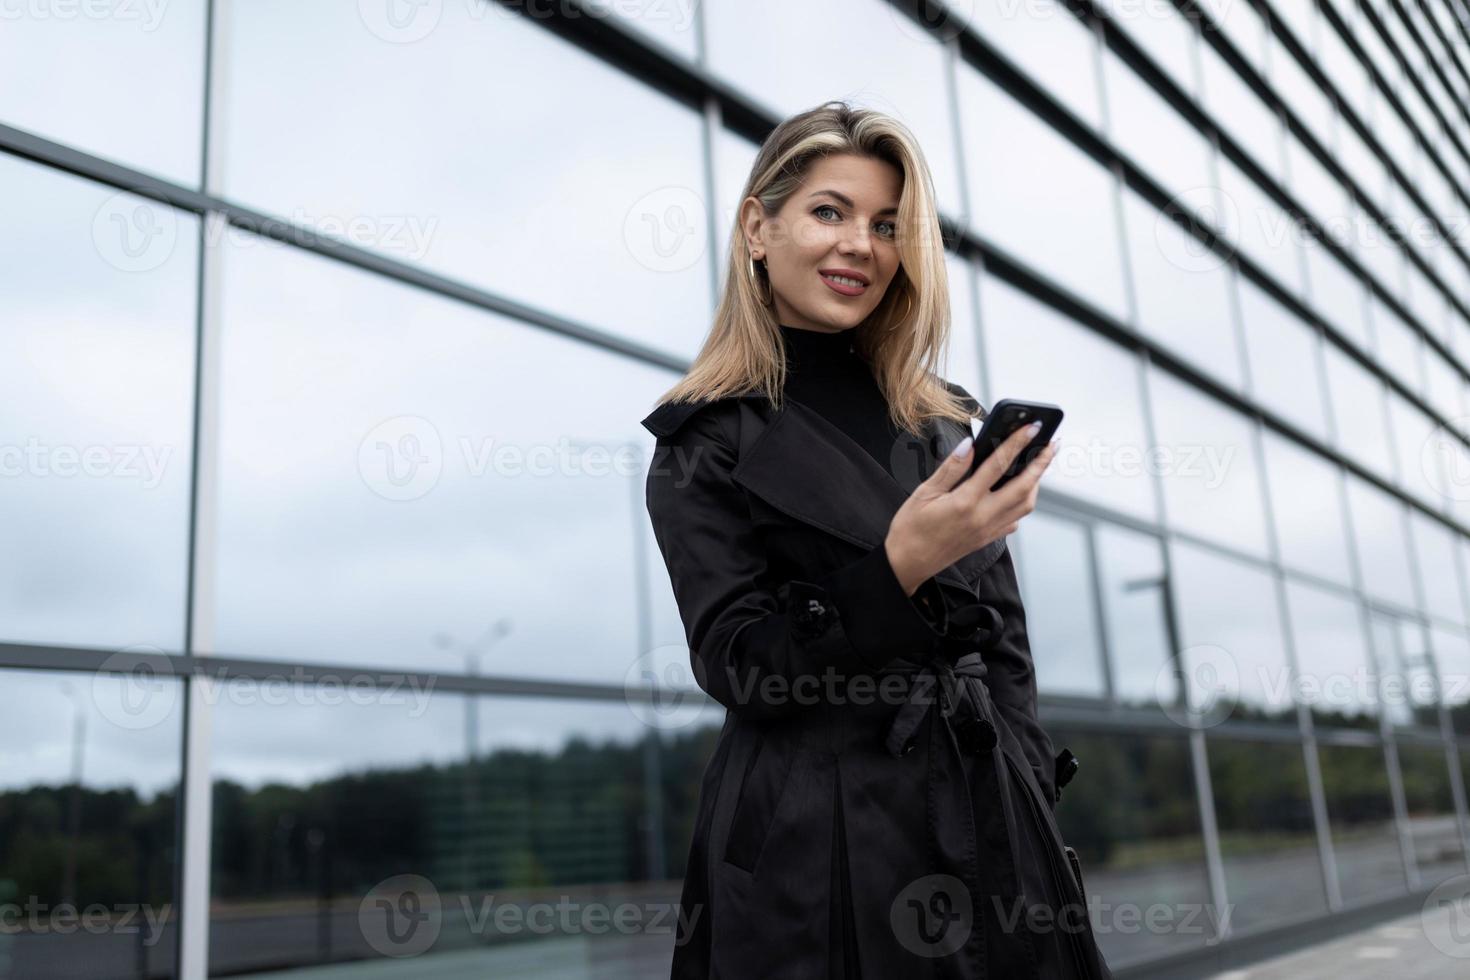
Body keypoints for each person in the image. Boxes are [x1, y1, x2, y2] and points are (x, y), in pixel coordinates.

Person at [640, 101, 1113, 979]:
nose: (860, 243)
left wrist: (1030, 799)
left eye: (888, 225)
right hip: (816, 844)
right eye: (830, 211)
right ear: (757, 226)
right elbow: (740, 665)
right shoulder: (703, 441)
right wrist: (899, 568)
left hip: (989, 815)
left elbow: (1004, 650)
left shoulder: (939, 427)